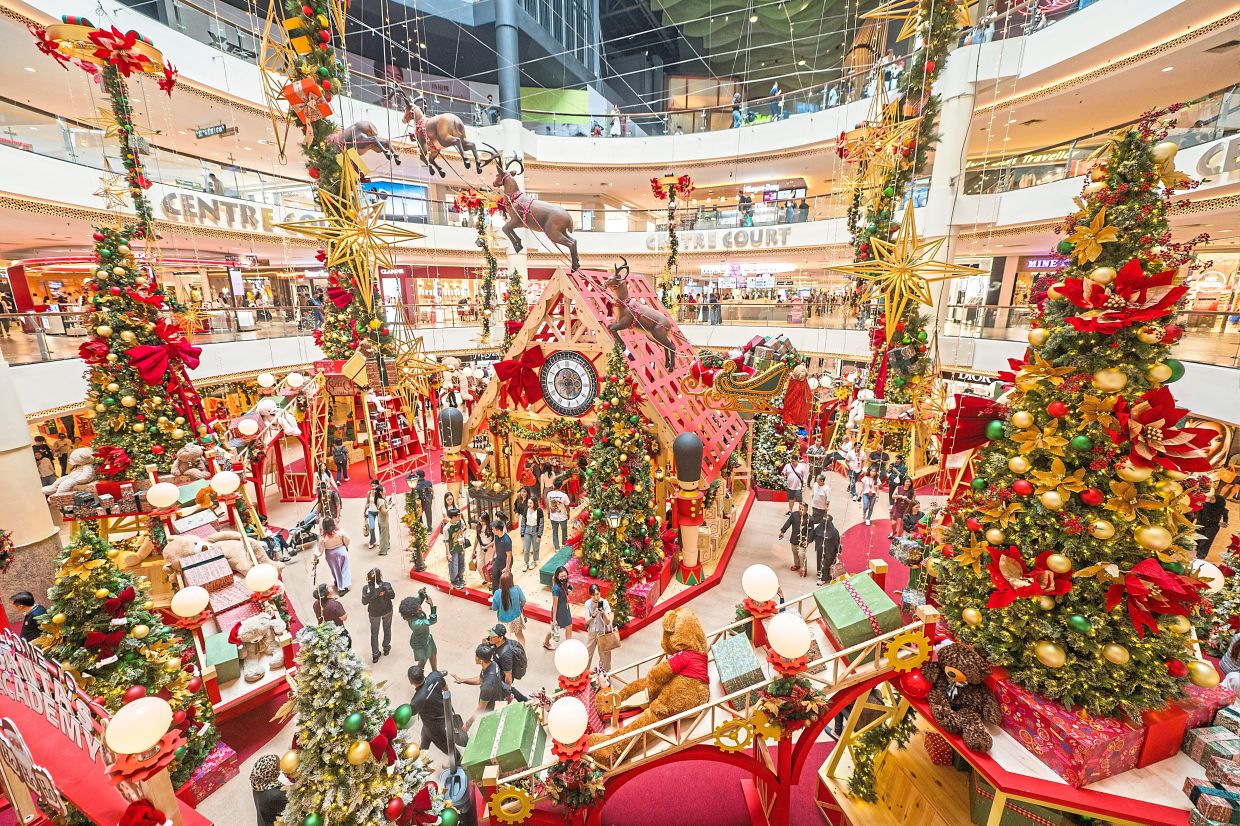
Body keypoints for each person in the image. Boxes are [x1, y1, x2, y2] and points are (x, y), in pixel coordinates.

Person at [408, 665, 460, 761]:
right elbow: (445, 689)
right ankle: (422, 753)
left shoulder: (416, 701)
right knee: (425, 736)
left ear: (411, 681)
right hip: (444, 713)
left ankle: (458, 760)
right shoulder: (434, 676)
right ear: (423, 673)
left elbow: (411, 714)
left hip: (435, 727)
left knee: (446, 746)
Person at [452, 644, 507, 731]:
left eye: (476, 656)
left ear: (480, 660)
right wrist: (463, 680)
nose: (475, 657)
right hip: (496, 699)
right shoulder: (493, 665)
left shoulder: (487, 687)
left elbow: (481, 708)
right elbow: (480, 679)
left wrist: (468, 723)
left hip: (490, 713)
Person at [361, 568, 395, 664]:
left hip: (374, 613)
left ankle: (375, 654)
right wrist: (385, 592)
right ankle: (386, 648)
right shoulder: (386, 585)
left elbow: (364, 602)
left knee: (374, 633)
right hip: (387, 610)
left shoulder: (366, 588)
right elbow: (393, 596)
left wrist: (371, 593)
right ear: (380, 576)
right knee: (387, 629)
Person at [486, 624, 529, 701]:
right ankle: (524, 699)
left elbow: (508, 677)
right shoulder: (496, 643)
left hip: (504, 674)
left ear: (501, 637)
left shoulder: (506, 655)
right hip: (499, 670)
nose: (490, 637)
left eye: (493, 636)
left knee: (502, 693)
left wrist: (507, 694)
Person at [399, 589, 438, 671]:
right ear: (412, 612)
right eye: (418, 608)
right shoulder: (416, 623)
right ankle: (419, 679)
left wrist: (421, 594)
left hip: (426, 637)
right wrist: (431, 605)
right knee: (423, 660)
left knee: (433, 652)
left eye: (419, 606)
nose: (420, 608)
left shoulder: (413, 610)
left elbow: (418, 601)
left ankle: (435, 672)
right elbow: (432, 621)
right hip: (419, 644)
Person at [778, 502, 817, 578]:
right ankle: (797, 565)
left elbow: (811, 531)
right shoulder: (794, 515)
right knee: (795, 552)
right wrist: (782, 531)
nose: (801, 511)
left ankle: (803, 569)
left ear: (807, 510)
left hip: (803, 541)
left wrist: (808, 540)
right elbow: (788, 523)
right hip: (794, 538)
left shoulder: (810, 519)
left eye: (803, 509)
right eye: (800, 509)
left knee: (801, 554)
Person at [491, 572, 527, 646]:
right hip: (516, 618)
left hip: (502, 620)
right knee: (520, 636)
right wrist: (520, 607)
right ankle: (522, 653)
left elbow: (494, 608)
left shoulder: (497, 593)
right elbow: (523, 600)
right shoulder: (517, 588)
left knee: (499, 638)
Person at [317, 517, 351, 595]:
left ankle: (337, 581)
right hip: (341, 552)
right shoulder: (340, 532)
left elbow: (320, 550)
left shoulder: (322, 537)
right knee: (344, 569)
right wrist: (345, 546)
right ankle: (342, 588)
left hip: (330, 555)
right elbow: (347, 539)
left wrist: (316, 556)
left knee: (335, 570)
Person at [250, 754, 287, 826]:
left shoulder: (258, 784)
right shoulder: (275, 796)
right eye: (278, 768)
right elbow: (291, 806)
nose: (280, 770)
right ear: (270, 772)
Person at [584, 583, 614, 671]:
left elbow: (608, 621)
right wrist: (593, 615)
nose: (596, 597)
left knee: (605, 655)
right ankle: (585, 674)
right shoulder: (587, 604)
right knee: (588, 653)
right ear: (590, 596)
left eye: (597, 594)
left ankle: (605, 673)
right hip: (592, 632)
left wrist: (603, 612)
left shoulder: (604, 603)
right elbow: (586, 621)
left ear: (600, 593)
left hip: (603, 632)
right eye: (593, 595)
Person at [543, 566, 573, 649]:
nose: (564, 578)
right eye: (561, 576)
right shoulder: (556, 589)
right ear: (557, 576)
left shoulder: (565, 583)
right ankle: (546, 642)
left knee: (569, 626)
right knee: (555, 629)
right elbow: (555, 605)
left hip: (566, 608)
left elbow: (570, 594)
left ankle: (568, 646)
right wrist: (554, 619)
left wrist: (569, 590)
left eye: (565, 576)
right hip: (559, 610)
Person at [815, 514, 841, 586]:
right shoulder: (818, 528)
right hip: (820, 550)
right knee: (821, 564)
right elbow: (813, 535)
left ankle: (826, 577)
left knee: (828, 565)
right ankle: (822, 576)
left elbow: (837, 542)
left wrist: (838, 552)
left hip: (830, 552)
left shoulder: (834, 532)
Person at [519, 497, 544, 572]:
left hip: (535, 531)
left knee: (536, 548)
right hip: (527, 530)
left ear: (535, 503)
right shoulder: (526, 510)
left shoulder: (539, 511)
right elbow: (523, 522)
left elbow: (541, 524)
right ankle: (526, 563)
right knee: (526, 549)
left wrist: (539, 535)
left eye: (530, 503)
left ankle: (534, 561)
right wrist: (522, 534)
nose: (528, 504)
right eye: (528, 503)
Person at [445, 508, 467, 589]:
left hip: (460, 547)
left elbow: (464, 529)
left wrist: (463, 537)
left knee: (462, 563)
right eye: (458, 515)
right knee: (454, 565)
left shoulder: (460, 522)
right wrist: (448, 553)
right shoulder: (447, 528)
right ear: (453, 517)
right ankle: (454, 581)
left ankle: (460, 578)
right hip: (452, 549)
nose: (460, 516)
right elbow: (446, 541)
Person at [546, 479, 571, 548]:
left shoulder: (549, 494)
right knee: (564, 531)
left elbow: (548, 504)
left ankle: (556, 547)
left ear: (553, 485)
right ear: (561, 486)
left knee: (555, 531)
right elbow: (567, 506)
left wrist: (548, 513)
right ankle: (564, 544)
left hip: (553, 517)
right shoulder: (564, 495)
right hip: (563, 517)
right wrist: (568, 513)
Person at [491, 518, 513, 593]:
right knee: (494, 576)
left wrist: (507, 568)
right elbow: (495, 545)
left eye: (493, 529)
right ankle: (495, 595)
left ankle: (505, 596)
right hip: (498, 559)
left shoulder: (507, 540)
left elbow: (509, 556)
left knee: (503, 580)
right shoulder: (496, 536)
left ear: (498, 530)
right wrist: (492, 557)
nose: (492, 530)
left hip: (505, 560)